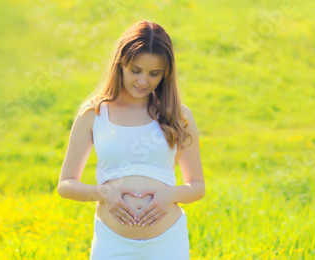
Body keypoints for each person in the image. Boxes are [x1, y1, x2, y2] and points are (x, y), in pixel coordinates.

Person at [57, 20, 205, 260]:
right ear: (120, 65)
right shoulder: (94, 114)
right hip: (112, 243)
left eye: (154, 74)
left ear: (165, 74)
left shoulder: (178, 114)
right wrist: (104, 193)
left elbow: (197, 186)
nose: (143, 81)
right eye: (135, 70)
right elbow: (65, 185)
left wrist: (170, 195)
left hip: (167, 242)